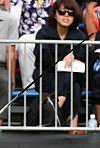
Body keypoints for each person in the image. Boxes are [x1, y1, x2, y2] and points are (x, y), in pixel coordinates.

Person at [33, 0, 85, 128]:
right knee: (72, 83)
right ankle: (71, 120)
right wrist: (63, 60)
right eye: (62, 12)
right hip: (46, 75)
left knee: (73, 82)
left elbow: (85, 57)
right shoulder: (43, 33)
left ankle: (61, 113)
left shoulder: (79, 35)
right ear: (55, 14)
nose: (66, 15)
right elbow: (44, 59)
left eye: (70, 13)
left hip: (70, 77)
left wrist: (74, 57)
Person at [13, 0, 54, 89]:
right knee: (25, 42)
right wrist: (14, 46)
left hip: (52, 37)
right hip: (27, 36)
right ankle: (30, 86)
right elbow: (14, 19)